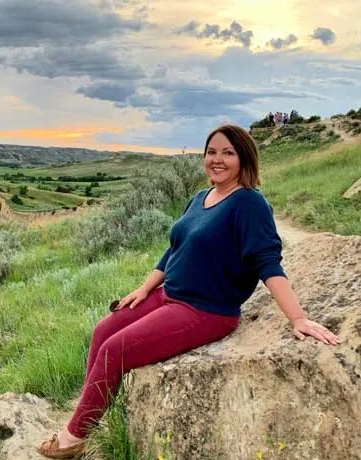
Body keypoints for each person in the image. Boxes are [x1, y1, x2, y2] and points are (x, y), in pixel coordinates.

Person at [36, 124, 340, 459]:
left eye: (228, 153)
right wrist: (143, 289)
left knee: (115, 350)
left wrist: (298, 319)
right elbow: (173, 250)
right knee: (103, 331)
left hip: (205, 311)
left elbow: (268, 263)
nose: (217, 160)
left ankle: (74, 437)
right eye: (212, 152)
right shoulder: (200, 197)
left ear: (244, 159)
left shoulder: (250, 204)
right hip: (168, 296)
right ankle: (89, 414)